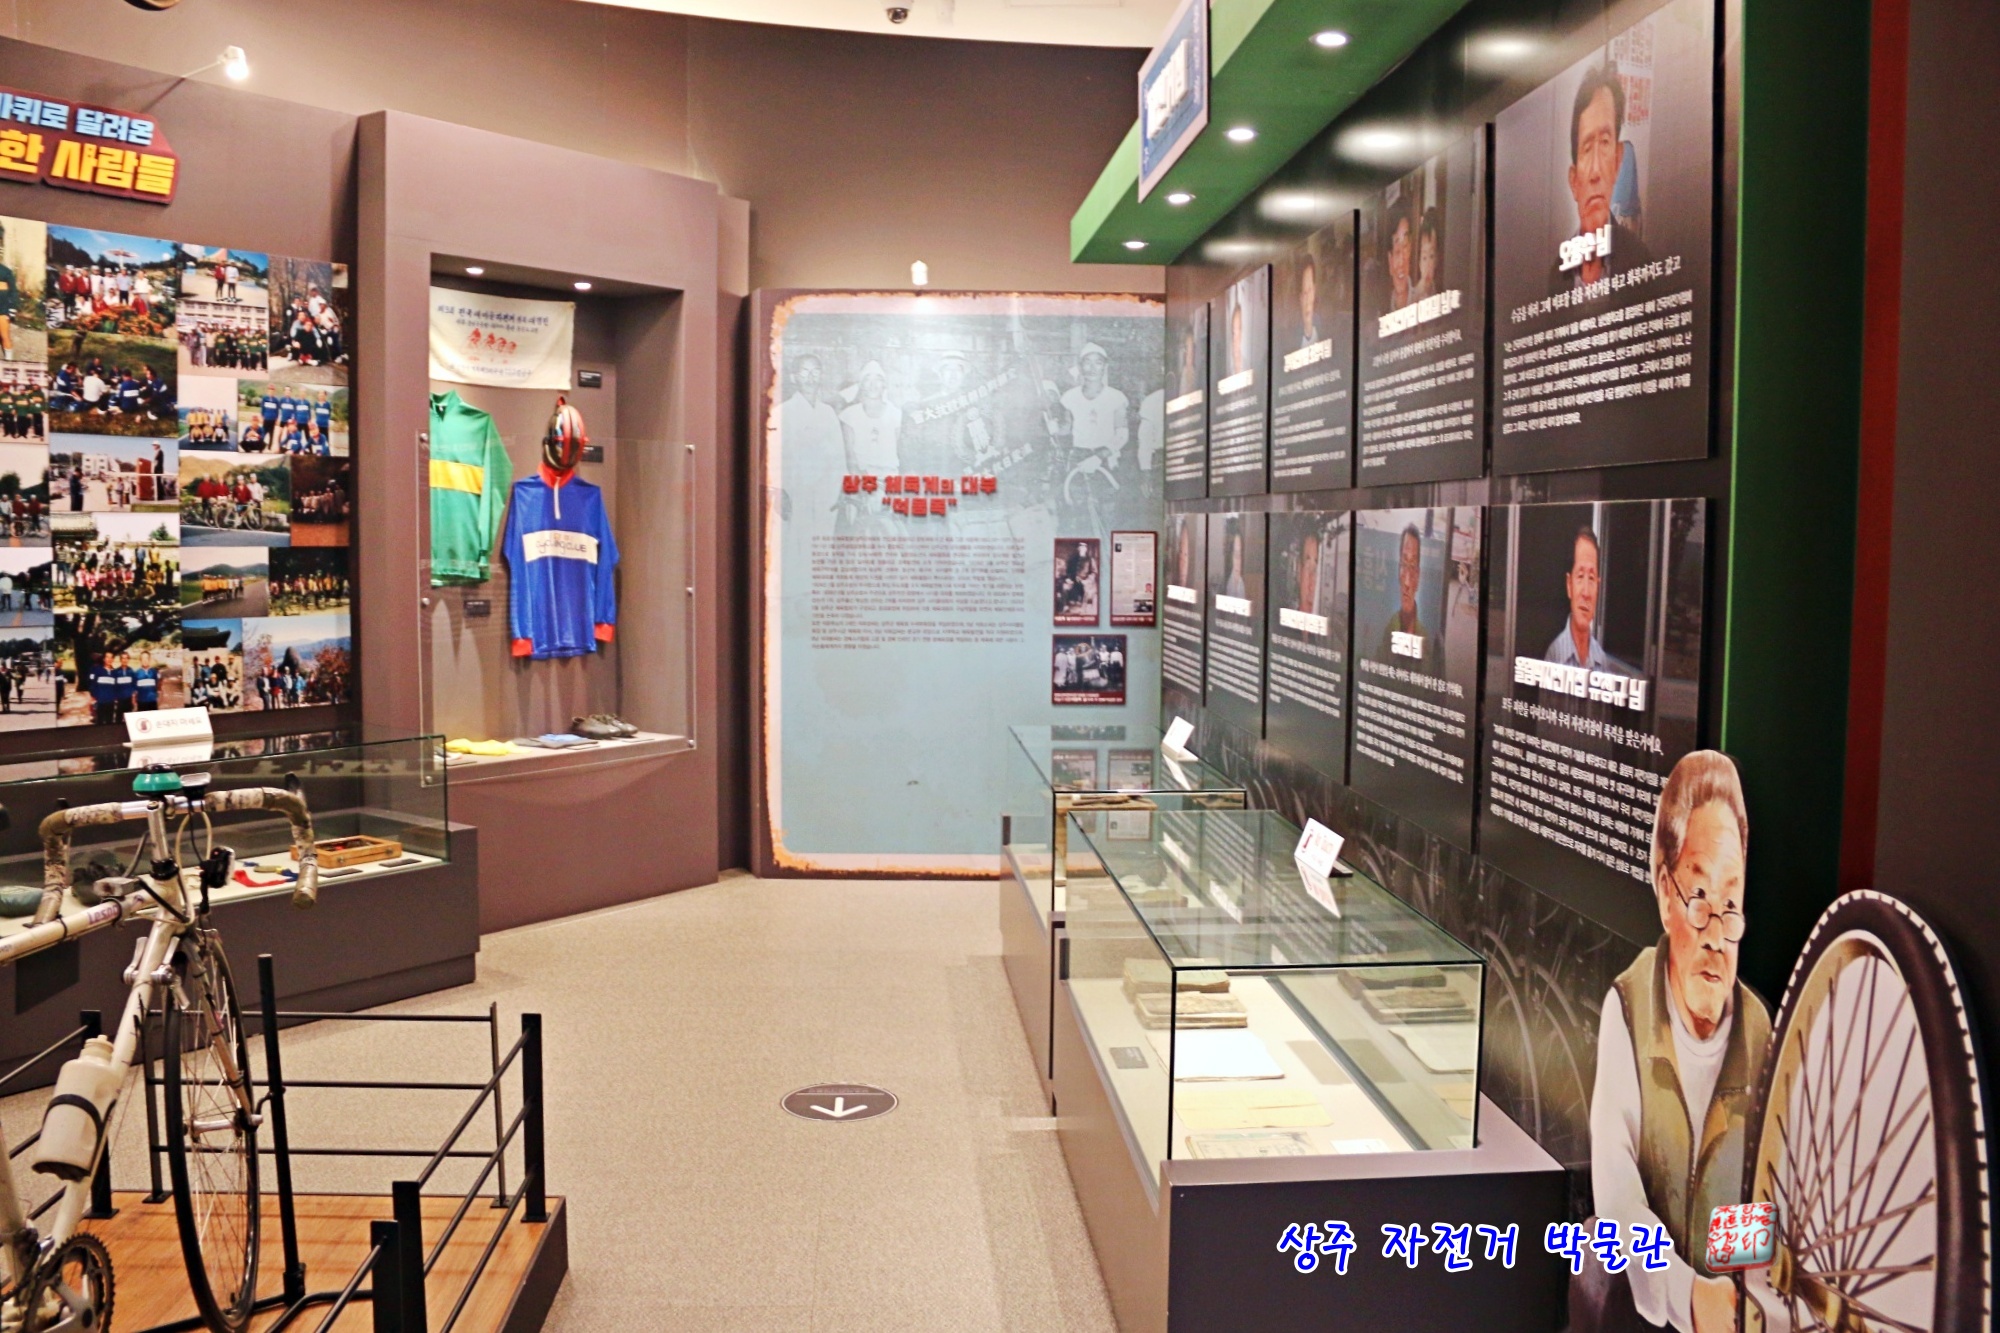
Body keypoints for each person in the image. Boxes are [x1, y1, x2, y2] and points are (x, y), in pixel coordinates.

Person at [1586, 750, 1770, 1333]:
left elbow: (1773, 1197)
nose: (1716, 935)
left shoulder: (1761, 1032)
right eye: (1699, 900)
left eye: (1731, 905)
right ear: (1666, 895)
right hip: (1647, 1314)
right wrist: (1687, 1294)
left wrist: (1734, 1289)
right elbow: (1615, 1192)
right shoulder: (1629, 1006)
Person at [1557, 66, 1655, 294]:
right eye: (1587, 147)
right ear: (1574, 180)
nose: (1595, 172)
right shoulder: (1557, 273)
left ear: (1618, 161)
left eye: (1604, 143)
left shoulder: (1640, 262)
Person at [1545, 526, 1624, 672]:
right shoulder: (1554, 655)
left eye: (1592, 578)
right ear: (1569, 585)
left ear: (1598, 587)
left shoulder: (1601, 660)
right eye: (1580, 576)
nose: (1586, 593)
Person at [1377, 523, 1440, 674]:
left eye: (1412, 567)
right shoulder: (1388, 630)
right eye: (1404, 565)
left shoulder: (1428, 639)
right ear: (1398, 571)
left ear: (1418, 577)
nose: (1407, 582)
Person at [1386, 209, 1414, 311]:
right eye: (1397, 252)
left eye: (1405, 246)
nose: (1402, 262)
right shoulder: (1382, 307)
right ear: (1390, 260)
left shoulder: (1423, 300)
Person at [1296, 258, 1320, 349]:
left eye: (1309, 289)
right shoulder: (1289, 336)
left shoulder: (1328, 326)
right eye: (1304, 292)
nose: (1307, 299)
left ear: (1314, 290)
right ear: (1300, 297)